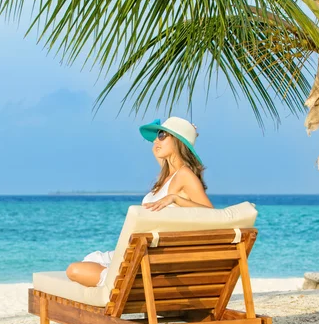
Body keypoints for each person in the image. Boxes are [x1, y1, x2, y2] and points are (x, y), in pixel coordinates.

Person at [66, 116, 213, 287]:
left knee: (74, 270)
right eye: (157, 135)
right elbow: (157, 151)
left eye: (162, 135)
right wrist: (187, 132)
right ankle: (120, 279)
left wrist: (176, 199)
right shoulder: (168, 174)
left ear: (178, 141)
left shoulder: (184, 175)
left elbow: (212, 215)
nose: (156, 141)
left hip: (148, 258)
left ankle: (123, 282)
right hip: (138, 253)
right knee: (90, 260)